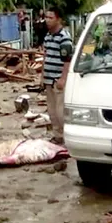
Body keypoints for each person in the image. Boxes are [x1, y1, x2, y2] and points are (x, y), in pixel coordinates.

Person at [43, 8, 74, 145]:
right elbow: (45, 55)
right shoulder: (48, 36)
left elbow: (67, 60)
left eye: (51, 17)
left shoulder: (64, 37)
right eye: (46, 17)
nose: (47, 20)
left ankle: (68, 136)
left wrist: (63, 78)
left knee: (60, 111)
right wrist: (42, 75)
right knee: (52, 110)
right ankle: (58, 136)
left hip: (57, 79)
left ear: (58, 19)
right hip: (48, 79)